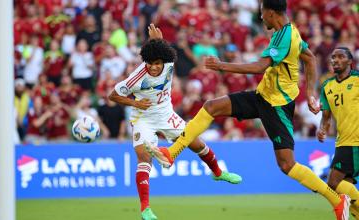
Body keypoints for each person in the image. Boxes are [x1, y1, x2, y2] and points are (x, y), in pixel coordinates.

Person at [145, 1, 351, 219]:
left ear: (272, 13)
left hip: (277, 106)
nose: (261, 18)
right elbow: (310, 58)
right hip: (263, 96)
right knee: (211, 106)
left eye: (262, 14)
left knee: (287, 165)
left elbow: (259, 67)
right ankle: (172, 153)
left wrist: (221, 65)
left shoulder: (284, 37)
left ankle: (337, 201)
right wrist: (310, 93)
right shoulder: (290, 32)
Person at [108, 24, 242, 220]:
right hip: (142, 118)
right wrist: (135, 102)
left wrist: (158, 41)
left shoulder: (169, 63)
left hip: (166, 114)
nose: (154, 67)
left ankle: (218, 172)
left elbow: (163, 49)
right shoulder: (136, 78)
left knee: (198, 145)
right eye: (150, 63)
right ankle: (145, 208)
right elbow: (113, 95)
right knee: (145, 159)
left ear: (164, 62)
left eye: (157, 63)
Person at [317, 47, 359, 219]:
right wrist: (322, 129)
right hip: (342, 142)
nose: (335, 60)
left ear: (350, 61)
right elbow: (326, 116)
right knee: (345, 190)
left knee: (333, 183)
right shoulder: (327, 86)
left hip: (355, 141)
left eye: (340, 56)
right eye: (333, 57)